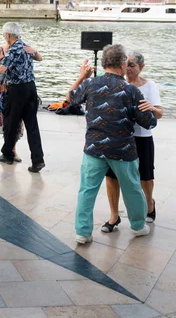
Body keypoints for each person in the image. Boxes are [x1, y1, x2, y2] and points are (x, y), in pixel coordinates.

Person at [67, 45, 158, 244]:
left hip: (93, 149)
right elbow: (149, 122)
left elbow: (71, 99)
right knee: (132, 189)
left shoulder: (90, 84)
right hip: (123, 150)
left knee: (87, 190)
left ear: (104, 63)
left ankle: (82, 233)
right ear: (123, 64)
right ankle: (137, 226)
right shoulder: (130, 90)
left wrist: (82, 76)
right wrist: (150, 109)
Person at [101, 51, 163, 232]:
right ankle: (114, 215)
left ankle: (149, 204)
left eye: (132, 65)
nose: (128, 69)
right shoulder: (118, 84)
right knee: (112, 176)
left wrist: (151, 107)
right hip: (119, 137)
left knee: (145, 176)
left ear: (141, 67)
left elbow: (159, 113)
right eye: (126, 64)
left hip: (142, 137)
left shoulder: (149, 86)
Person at [0, 22, 45, 173]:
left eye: (4, 35)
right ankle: (38, 159)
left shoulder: (14, 50)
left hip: (16, 90)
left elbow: (1, 70)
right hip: (31, 88)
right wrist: (35, 51)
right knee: (32, 125)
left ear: (8, 35)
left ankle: (7, 154)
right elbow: (40, 58)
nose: (4, 37)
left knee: (11, 122)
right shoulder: (26, 46)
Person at [0, 42, 40, 158]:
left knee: (16, 121)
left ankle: (12, 149)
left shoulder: (21, 49)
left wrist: (35, 50)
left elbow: (38, 58)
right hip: (3, 89)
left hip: (17, 90)